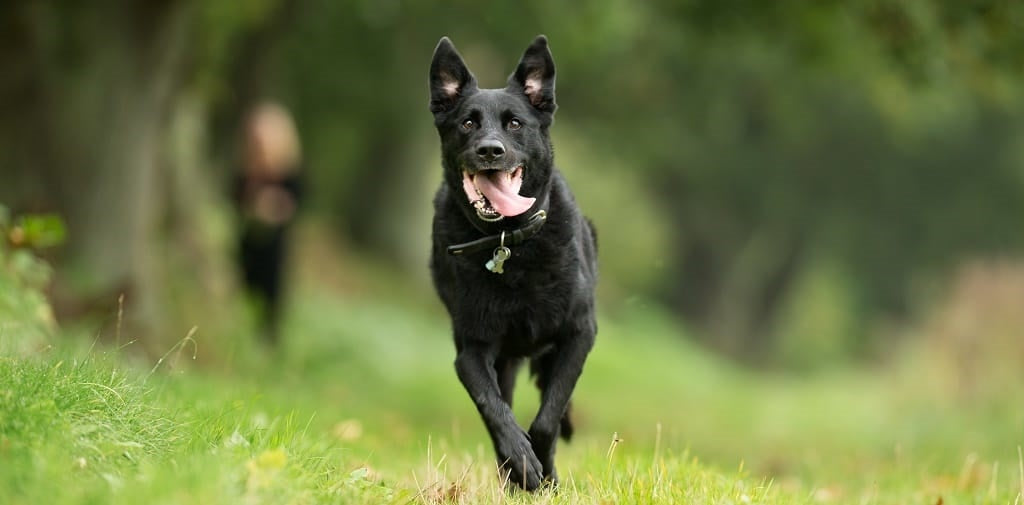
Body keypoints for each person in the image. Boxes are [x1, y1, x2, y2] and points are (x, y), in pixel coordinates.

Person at [234, 101, 303, 345]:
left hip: (275, 249)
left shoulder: (289, 174)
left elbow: (298, 203)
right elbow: (236, 199)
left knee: (271, 299)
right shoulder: (247, 173)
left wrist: (274, 208)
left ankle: (266, 342)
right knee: (242, 290)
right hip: (247, 244)